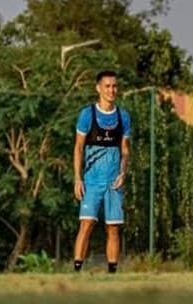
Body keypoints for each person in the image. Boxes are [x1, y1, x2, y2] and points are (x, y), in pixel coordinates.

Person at [72, 70, 131, 274]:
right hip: (91, 181)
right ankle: (77, 271)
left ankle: (112, 273)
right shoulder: (87, 114)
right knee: (86, 224)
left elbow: (125, 150)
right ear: (98, 88)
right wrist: (78, 178)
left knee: (113, 227)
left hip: (114, 182)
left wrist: (123, 172)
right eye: (107, 86)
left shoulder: (123, 117)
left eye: (114, 86)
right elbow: (78, 147)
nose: (111, 90)